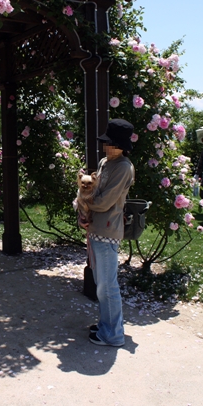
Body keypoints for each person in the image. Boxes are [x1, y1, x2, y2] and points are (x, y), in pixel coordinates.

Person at [80, 119, 135, 347]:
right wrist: (83, 215)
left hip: (108, 231)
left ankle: (113, 334)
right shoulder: (105, 162)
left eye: (111, 143)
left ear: (122, 146)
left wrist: (83, 203)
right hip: (95, 229)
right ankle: (106, 326)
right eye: (106, 143)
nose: (106, 147)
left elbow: (103, 202)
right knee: (100, 283)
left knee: (107, 285)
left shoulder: (123, 167)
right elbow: (94, 192)